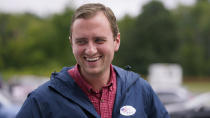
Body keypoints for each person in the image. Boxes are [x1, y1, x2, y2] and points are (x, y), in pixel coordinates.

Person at [16, 3, 169, 118]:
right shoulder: (43, 100)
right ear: (72, 43)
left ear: (116, 41)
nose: (90, 50)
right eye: (81, 41)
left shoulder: (140, 91)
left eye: (99, 40)